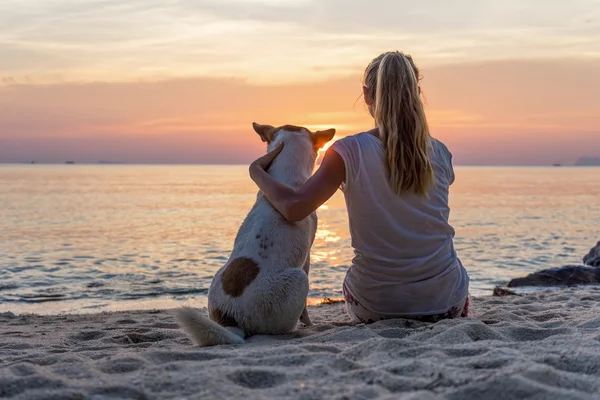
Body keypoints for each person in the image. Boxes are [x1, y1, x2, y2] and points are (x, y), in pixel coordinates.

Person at [249, 51, 470, 323]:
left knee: (360, 282)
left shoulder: (348, 151)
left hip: (375, 305)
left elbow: (294, 209)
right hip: (445, 302)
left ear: (367, 95)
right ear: (417, 92)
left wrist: (257, 171)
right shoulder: (440, 152)